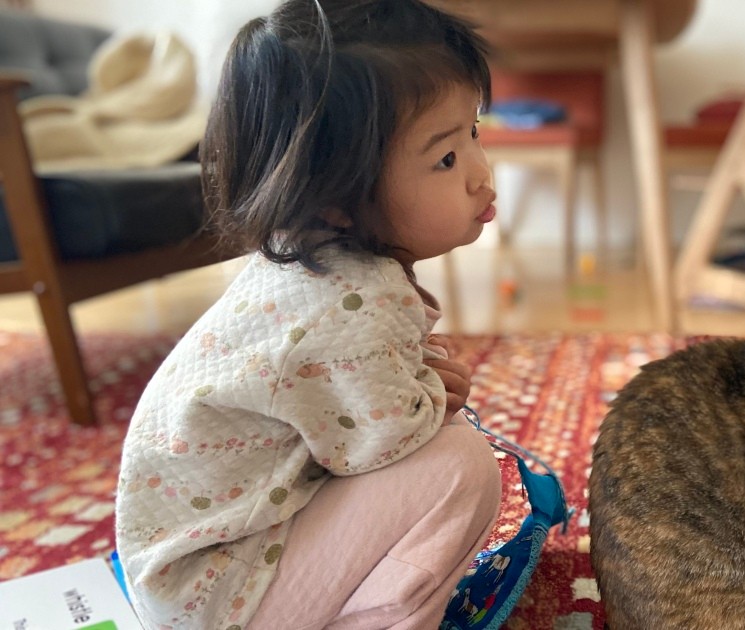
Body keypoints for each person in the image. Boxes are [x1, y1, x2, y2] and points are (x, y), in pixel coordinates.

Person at [114, 1, 502, 628]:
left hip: (192, 573)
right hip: (218, 596)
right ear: (337, 201)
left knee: (447, 445)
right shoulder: (353, 301)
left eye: (474, 133)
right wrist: (428, 395)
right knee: (461, 467)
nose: (483, 176)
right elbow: (383, 443)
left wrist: (415, 387)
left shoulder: (316, 261)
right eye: (446, 159)